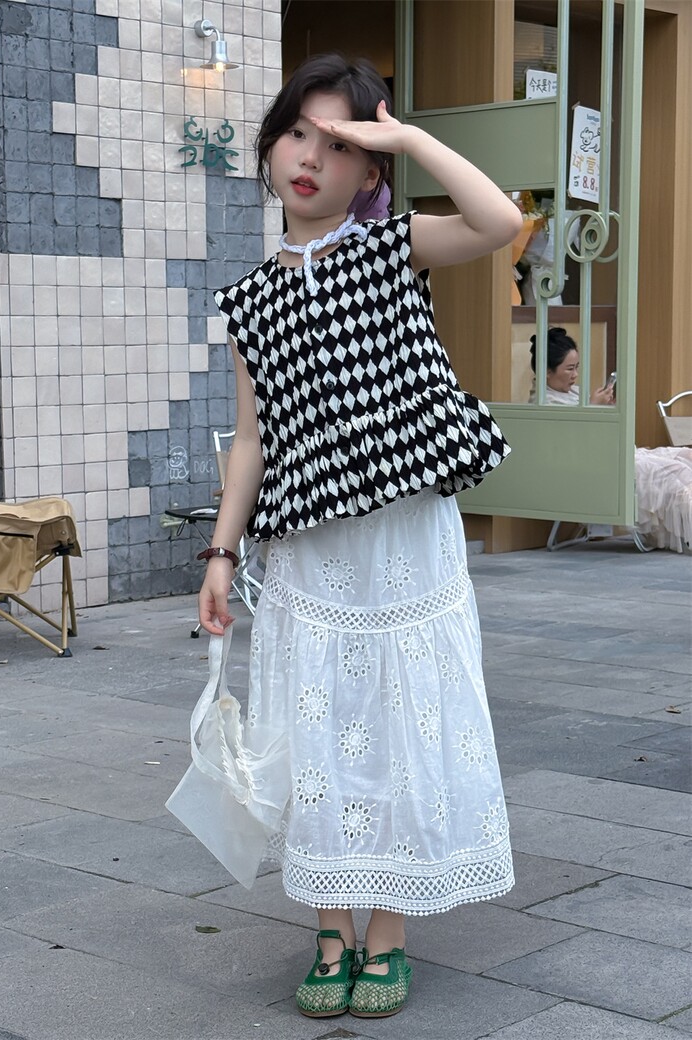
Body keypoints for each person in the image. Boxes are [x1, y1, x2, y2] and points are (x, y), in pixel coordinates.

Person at [194, 54, 522, 1020]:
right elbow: (253, 440)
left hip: (405, 538)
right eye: (298, 133)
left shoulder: (392, 248)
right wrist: (221, 555)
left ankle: (389, 933)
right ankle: (331, 928)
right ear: (270, 146)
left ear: (370, 168)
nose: (312, 158)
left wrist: (408, 137)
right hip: (309, 547)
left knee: (399, 715)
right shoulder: (251, 297)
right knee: (321, 727)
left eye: (340, 145)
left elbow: (499, 222)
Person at [528, 326, 615, 405]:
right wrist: (593, 405)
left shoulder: (575, 390)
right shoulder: (541, 402)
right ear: (547, 371)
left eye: (576, 367)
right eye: (570, 369)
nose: (575, 374)